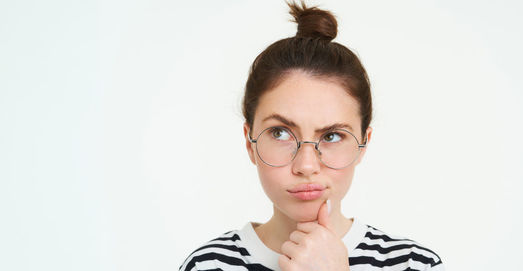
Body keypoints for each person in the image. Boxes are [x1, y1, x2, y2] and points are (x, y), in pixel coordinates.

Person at [179, 1, 444, 270]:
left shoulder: (415, 265)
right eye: (280, 133)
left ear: (363, 144)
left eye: (331, 136)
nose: (306, 166)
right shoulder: (207, 265)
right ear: (250, 142)